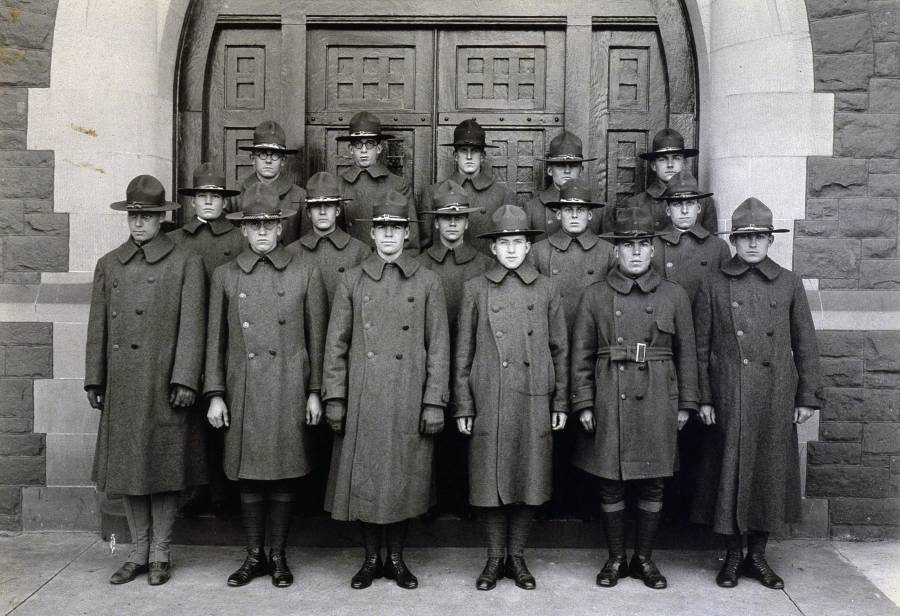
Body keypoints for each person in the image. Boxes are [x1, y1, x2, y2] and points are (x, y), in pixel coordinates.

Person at [691, 197, 824, 590]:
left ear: (770, 240)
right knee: (729, 473)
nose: (752, 244)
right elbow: (701, 347)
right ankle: (732, 556)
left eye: (760, 237)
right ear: (733, 240)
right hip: (729, 392)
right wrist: (704, 397)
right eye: (745, 236)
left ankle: (758, 557)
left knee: (768, 473)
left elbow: (806, 344)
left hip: (775, 393)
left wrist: (806, 396)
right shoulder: (713, 283)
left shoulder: (788, 283)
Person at [322, 191, 450, 590]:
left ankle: (395, 559)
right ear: (373, 234)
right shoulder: (352, 280)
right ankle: (369, 559)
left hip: (410, 395)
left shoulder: (428, 280)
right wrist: (335, 397)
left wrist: (434, 401)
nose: (389, 236)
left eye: (396, 228)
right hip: (364, 395)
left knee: (404, 480)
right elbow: (335, 345)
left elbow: (439, 345)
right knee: (365, 479)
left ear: (407, 234)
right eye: (382, 229)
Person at [84, 175, 207, 586]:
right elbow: (98, 327)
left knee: (164, 470)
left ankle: (160, 553)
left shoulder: (184, 261)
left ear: (161, 218)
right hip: (124, 384)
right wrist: (94, 380)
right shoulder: (110, 264)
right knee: (129, 473)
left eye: (148, 216)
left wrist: (186, 378)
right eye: (134, 216)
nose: (139, 224)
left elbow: (193, 326)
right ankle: (137, 552)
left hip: (164, 383)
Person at [204, 183, 328, 588]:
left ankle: (278, 555)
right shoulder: (225, 275)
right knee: (250, 475)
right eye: (254, 224)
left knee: (285, 473)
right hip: (243, 388)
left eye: (269, 224)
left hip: (289, 386)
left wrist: (314, 391)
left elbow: (317, 338)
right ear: (242, 230)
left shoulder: (304, 272)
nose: (261, 232)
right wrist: (216, 394)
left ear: (280, 228)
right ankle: (253, 554)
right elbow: (214, 342)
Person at [570, 206, 698, 590]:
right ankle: (614, 560)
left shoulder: (674, 296)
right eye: (628, 246)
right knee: (610, 481)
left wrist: (686, 402)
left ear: (654, 248)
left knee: (653, 481)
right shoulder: (594, 296)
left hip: (660, 393)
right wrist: (584, 402)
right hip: (610, 393)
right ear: (615, 251)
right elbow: (581, 354)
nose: (637, 252)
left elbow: (687, 353)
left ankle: (644, 559)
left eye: (643, 244)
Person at [454, 204, 568, 591]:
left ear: (528, 246)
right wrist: (464, 404)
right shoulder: (476, 288)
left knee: (527, 479)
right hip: (489, 395)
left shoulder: (547, 288)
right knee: (490, 480)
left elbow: (560, 349)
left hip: (534, 395)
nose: (512, 250)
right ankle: (493, 559)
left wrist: (561, 401)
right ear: (493, 248)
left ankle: (517, 557)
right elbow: (463, 353)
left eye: (518, 242)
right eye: (505, 243)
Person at [530, 176, 614, 517]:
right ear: (557, 214)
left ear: (591, 215)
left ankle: (587, 503)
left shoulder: (608, 251)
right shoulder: (540, 251)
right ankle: (551, 500)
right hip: (551, 347)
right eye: (568, 210)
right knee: (551, 422)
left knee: (590, 422)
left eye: (581, 210)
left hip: (594, 350)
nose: (575, 216)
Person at [169, 162, 244, 519]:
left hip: (233, 332)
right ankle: (199, 489)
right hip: (189, 332)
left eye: (215, 196)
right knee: (195, 418)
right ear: (193, 201)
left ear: (225, 201)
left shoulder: (238, 237)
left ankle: (227, 490)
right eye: (202, 196)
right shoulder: (177, 240)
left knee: (228, 410)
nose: (209, 202)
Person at [417, 180, 492, 516]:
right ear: (435, 222)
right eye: (445, 218)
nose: (452, 223)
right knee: (428, 433)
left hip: (471, 360)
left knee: (467, 430)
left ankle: (465, 506)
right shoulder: (418, 264)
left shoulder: (483, 265)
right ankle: (430, 506)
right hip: (426, 358)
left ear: (467, 222)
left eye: (458, 217)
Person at [600, 128, 718, 234]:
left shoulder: (704, 202)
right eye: (663, 159)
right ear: (653, 165)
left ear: (685, 163)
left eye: (676, 158)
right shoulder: (636, 203)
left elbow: (711, 246)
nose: (670, 165)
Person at [422, 118, 513, 253]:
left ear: (482, 156)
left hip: (487, 269)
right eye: (464, 150)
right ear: (455, 156)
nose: (469, 157)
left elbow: (508, 243)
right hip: (443, 271)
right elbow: (426, 244)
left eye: (475, 151)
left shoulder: (502, 194)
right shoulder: (433, 192)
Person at [336, 111, 419, 249]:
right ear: (350, 149)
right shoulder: (338, 185)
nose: (363, 150)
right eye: (358, 144)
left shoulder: (398, 184)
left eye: (369, 144)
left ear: (379, 148)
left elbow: (411, 239)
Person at [286, 171, 371, 303]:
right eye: (316, 207)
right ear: (308, 212)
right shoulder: (292, 252)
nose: (323, 212)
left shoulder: (360, 252)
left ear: (337, 211)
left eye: (329, 206)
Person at [237, 120, 307, 245]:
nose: (268, 160)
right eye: (263, 154)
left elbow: (305, 241)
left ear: (283, 160)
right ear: (253, 159)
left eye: (275, 155)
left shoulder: (300, 196)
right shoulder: (237, 196)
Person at [524, 130, 601, 235]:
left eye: (573, 165)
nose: (567, 171)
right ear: (550, 170)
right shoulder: (532, 209)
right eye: (560, 165)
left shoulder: (600, 210)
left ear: (581, 170)